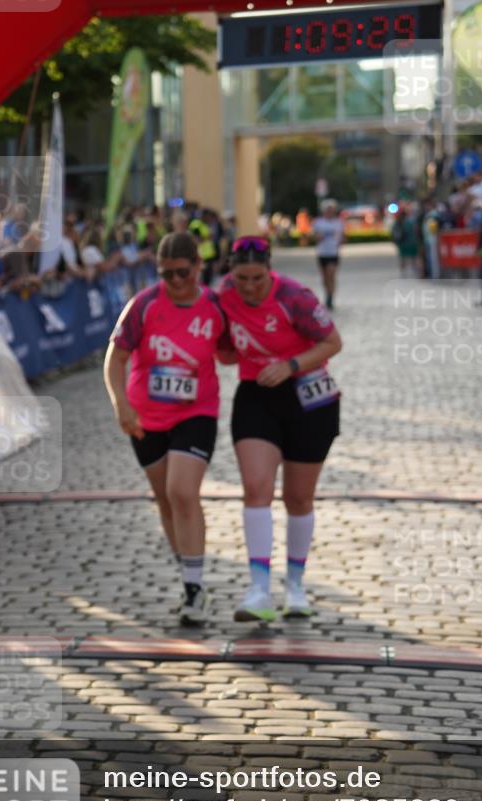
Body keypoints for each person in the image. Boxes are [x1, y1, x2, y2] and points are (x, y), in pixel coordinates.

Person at [104, 232, 230, 626]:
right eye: (166, 274)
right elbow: (115, 359)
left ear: (198, 267)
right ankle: (188, 573)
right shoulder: (143, 305)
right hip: (146, 417)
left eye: (182, 272)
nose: (175, 281)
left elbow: (231, 349)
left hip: (197, 411)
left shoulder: (214, 305)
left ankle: (194, 590)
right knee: (164, 497)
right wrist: (119, 403)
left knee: (182, 491)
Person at [217, 237, 343, 622]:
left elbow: (333, 342)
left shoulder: (295, 297)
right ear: (231, 273)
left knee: (298, 498)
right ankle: (258, 589)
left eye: (257, 278)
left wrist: (290, 365)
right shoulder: (224, 295)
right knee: (256, 488)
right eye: (242, 279)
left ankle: (295, 585)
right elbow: (224, 351)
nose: (250, 287)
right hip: (256, 397)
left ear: (269, 269)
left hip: (309, 397)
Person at [312, 199, 345, 310]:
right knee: (325, 277)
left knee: (331, 275)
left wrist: (341, 241)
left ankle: (331, 297)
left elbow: (343, 237)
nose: (330, 212)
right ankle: (327, 294)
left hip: (333, 253)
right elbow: (313, 238)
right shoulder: (318, 222)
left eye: (332, 210)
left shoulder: (338, 223)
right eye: (328, 210)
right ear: (324, 211)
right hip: (322, 252)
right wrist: (318, 237)